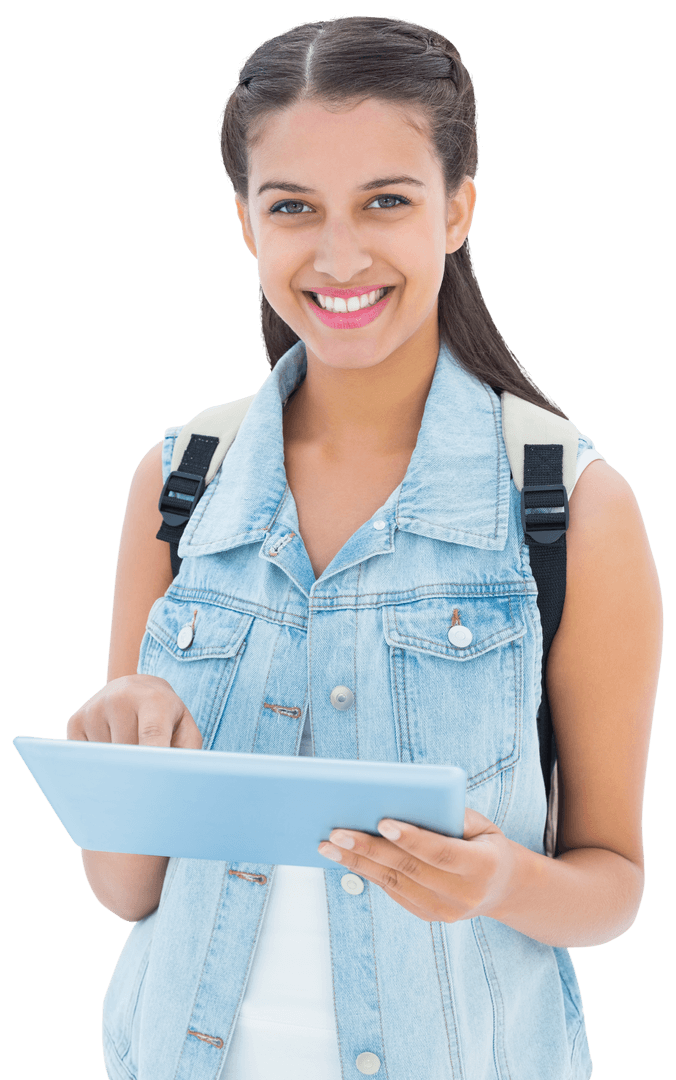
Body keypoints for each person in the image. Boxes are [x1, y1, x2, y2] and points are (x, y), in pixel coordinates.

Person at [67, 16, 662, 1080]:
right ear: (247, 223)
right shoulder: (179, 484)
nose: (338, 256)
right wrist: (118, 757)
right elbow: (127, 890)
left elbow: (610, 883)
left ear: (457, 209)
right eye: (292, 207)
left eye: (386, 200)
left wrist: (497, 885)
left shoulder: (569, 506)